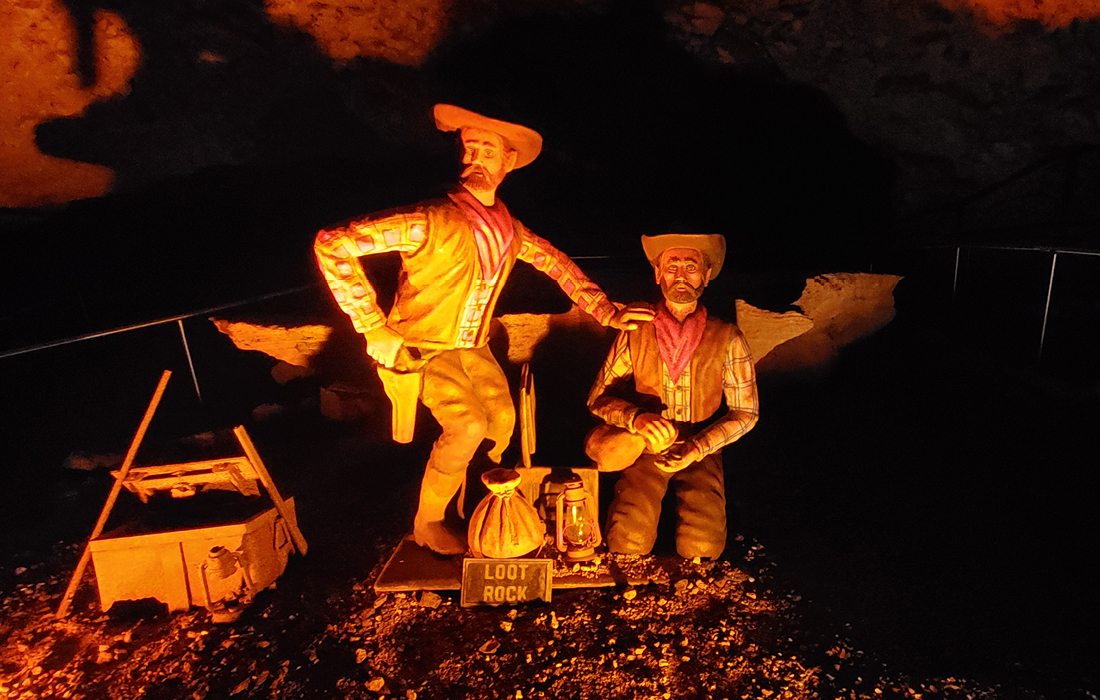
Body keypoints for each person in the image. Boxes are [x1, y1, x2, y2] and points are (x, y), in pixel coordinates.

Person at [315, 103, 652, 555]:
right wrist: (372, 325)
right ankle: (428, 521)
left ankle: (484, 505)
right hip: (422, 348)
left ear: (507, 162)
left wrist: (606, 310)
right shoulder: (430, 218)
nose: (474, 159)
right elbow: (333, 244)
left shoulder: (509, 229)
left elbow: (555, 263)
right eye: (469, 149)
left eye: (487, 151)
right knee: (467, 425)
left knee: (503, 423)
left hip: (473, 346)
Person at [584, 234, 759, 559]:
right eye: (671, 266)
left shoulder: (727, 338)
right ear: (658, 274)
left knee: (702, 547)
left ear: (706, 275)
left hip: (700, 446)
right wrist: (636, 418)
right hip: (647, 448)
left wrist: (699, 447)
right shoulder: (635, 331)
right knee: (627, 539)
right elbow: (598, 397)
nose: (680, 276)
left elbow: (746, 413)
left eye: (691, 267)